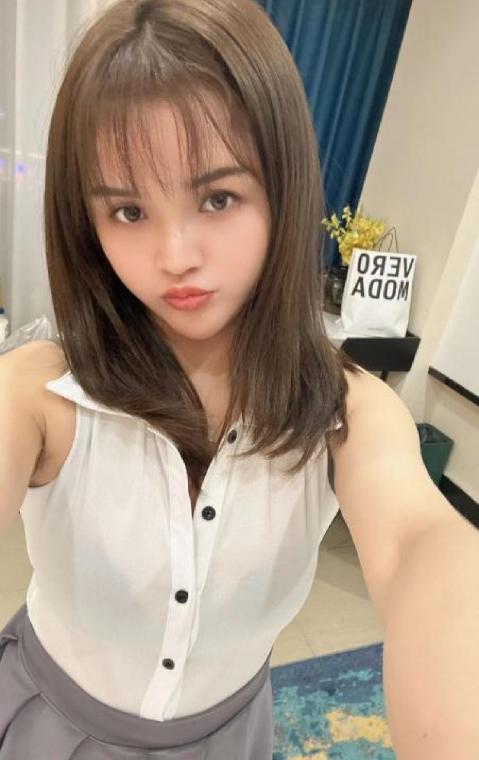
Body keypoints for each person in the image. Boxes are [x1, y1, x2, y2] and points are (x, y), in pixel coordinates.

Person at [2, 0, 478, 758]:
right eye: (128, 211)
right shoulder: (41, 394)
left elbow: (422, 543)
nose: (175, 256)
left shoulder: (346, 411)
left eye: (217, 198)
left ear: (283, 191)